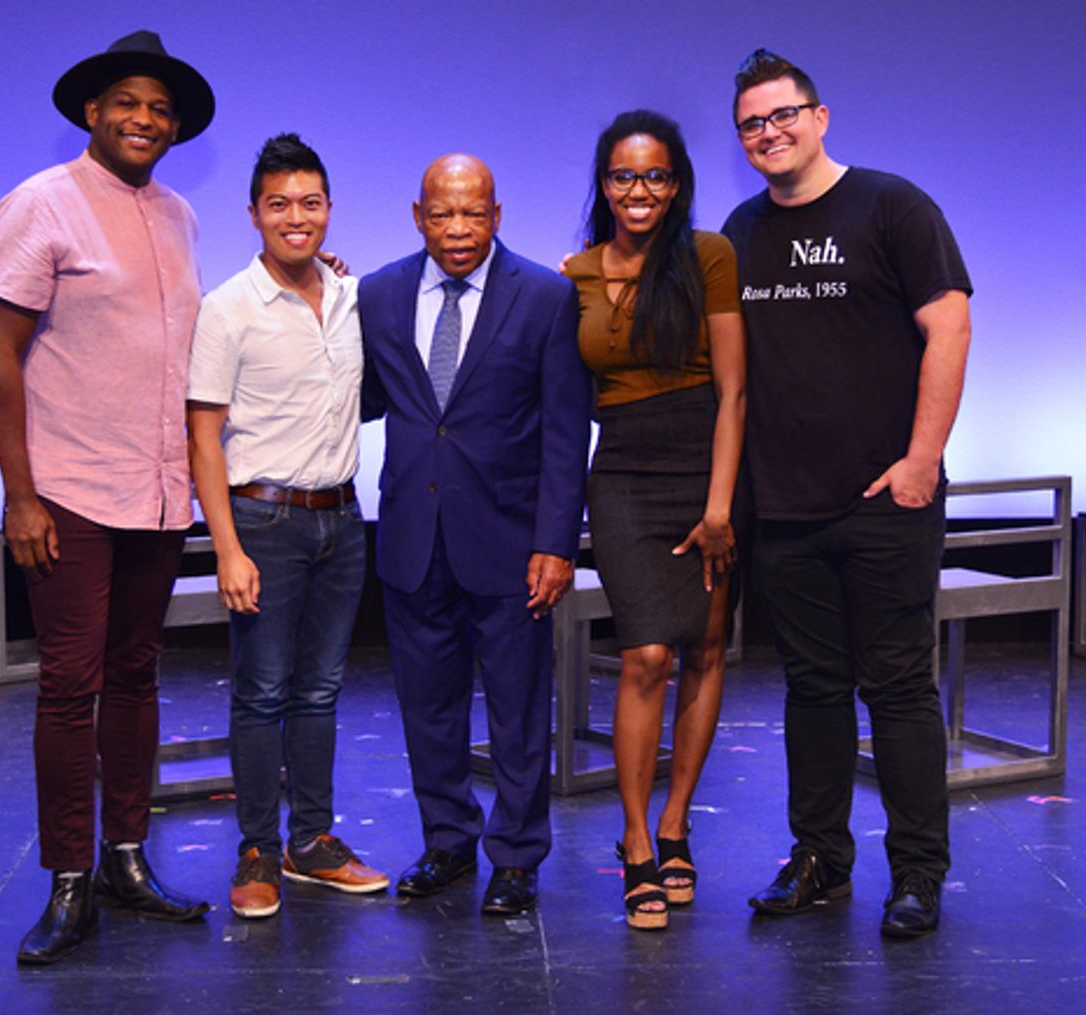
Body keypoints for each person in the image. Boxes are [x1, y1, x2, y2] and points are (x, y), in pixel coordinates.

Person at [721, 49, 972, 938]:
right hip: (783, 505)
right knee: (813, 689)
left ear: (820, 117)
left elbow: (950, 326)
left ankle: (918, 875)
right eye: (751, 123)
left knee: (899, 688)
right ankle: (821, 859)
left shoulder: (893, 206)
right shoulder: (741, 229)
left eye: (783, 115)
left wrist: (921, 459)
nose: (769, 132)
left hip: (884, 500)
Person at [0, 30, 214, 965]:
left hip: (156, 492)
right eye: (128, 102)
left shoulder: (182, 215)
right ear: (91, 111)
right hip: (68, 491)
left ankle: (125, 857)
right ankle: (69, 879)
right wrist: (20, 494)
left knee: (139, 676)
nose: (145, 119)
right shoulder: (41, 203)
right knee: (71, 689)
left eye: (160, 108)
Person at [359, 154, 592, 915]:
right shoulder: (379, 292)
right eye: (442, 213)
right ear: (418, 214)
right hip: (411, 538)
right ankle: (448, 841)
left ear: (498, 215)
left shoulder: (549, 297)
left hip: (512, 542)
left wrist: (557, 542)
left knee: (518, 710)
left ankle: (517, 855)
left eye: (474, 213)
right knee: (427, 704)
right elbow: (361, 397)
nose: (458, 229)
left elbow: (564, 431)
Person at [187, 133, 388, 921]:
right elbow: (202, 434)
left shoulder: (350, 297)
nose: (295, 218)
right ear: (254, 214)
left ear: (329, 210)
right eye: (279, 205)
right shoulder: (227, 308)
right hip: (262, 520)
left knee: (322, 690)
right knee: (263, 690)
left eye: (310, 203)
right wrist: (226, 547)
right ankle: (257, 849)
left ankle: (311, 842)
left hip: (342, 517)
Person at [564, 110, 746, 931]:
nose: (640, 192)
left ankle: (677, 824)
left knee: (706, 647)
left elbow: (735, 391)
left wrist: (718, 505)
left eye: (656, 177)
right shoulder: (575, 272)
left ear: (677, 184)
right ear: (603, 184)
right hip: (626, 473)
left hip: (705, 468)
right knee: (644, 653)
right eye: (623, 177)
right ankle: (637, 842)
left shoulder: (708, 257)